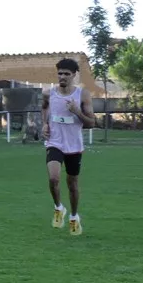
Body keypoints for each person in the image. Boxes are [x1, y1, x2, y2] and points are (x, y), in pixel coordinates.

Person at [42, 58, 96, 235]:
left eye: (66, 74)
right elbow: (44, 108)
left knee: (72, 184)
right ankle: (58, 207)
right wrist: (44, 124)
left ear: (74, 75)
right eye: (60, 73)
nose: (62, 77)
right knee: (54, 178)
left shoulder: (82, 95)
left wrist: (77, 111)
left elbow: (91, 123)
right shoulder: (49, 93)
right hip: (54, 142)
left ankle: (73, 217)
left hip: (74, 145)